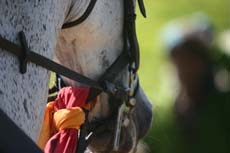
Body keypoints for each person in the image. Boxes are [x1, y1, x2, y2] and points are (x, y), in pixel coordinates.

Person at [162, 13, 230, 153]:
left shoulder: (222, 107)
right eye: (181, 60)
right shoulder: (166, 114)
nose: (188, 67)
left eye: (194, 58)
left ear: (208, 62)